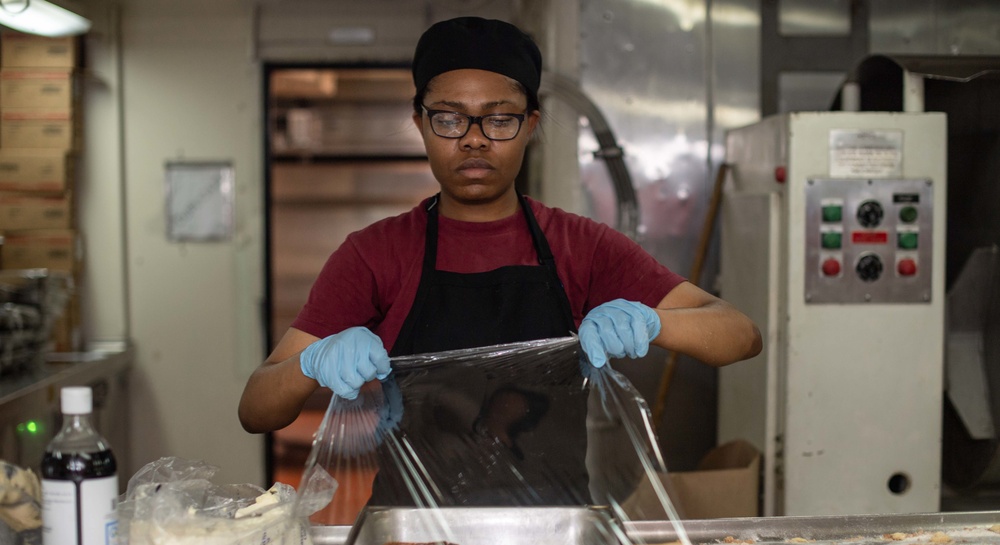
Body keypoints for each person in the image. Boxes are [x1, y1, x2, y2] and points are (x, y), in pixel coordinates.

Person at [239, 16, 762, 437]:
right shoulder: (373, 254)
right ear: (420, 123)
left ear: (530, 124)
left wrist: (655, 322)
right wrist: (311, 363)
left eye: (499, 118)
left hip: (555, 528)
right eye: (448, 118)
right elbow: (256, 410)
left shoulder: (581, 245)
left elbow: (740, 335)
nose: (473, 139)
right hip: (415, 527)